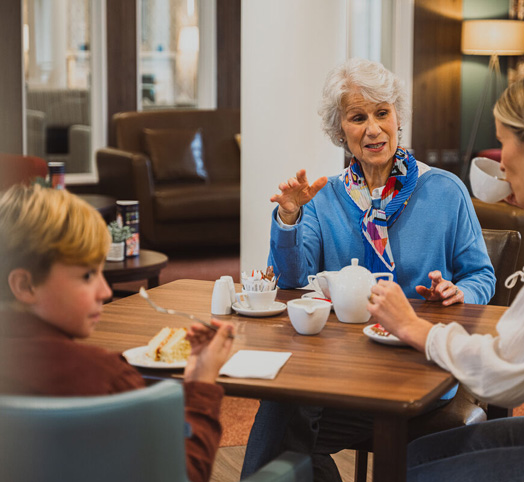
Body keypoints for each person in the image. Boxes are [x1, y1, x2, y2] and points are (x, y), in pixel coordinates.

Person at [241, 58, 496, 481]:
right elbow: (289, 282)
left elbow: (481, 276)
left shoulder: (445, 191)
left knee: (288, 423)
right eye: (358, 117)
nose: (374, 128)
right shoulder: (325, 197)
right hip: (341, 369)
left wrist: (458, 293)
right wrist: (289, 218)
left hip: (419, 363)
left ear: (398, 117)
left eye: (382, 113)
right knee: (285, 406)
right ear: (341, 131)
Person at [368, 65, 524, 481]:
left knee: (409, 474)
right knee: (415, 455)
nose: (500, 161)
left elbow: (508, 375)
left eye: (502, 143)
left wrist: (414, 328)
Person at [0, 185, 235, 482]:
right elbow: (183, 475)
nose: (106, 291)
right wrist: (201, 385)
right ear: (25, 285)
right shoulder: (108, 379)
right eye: (87, 275)